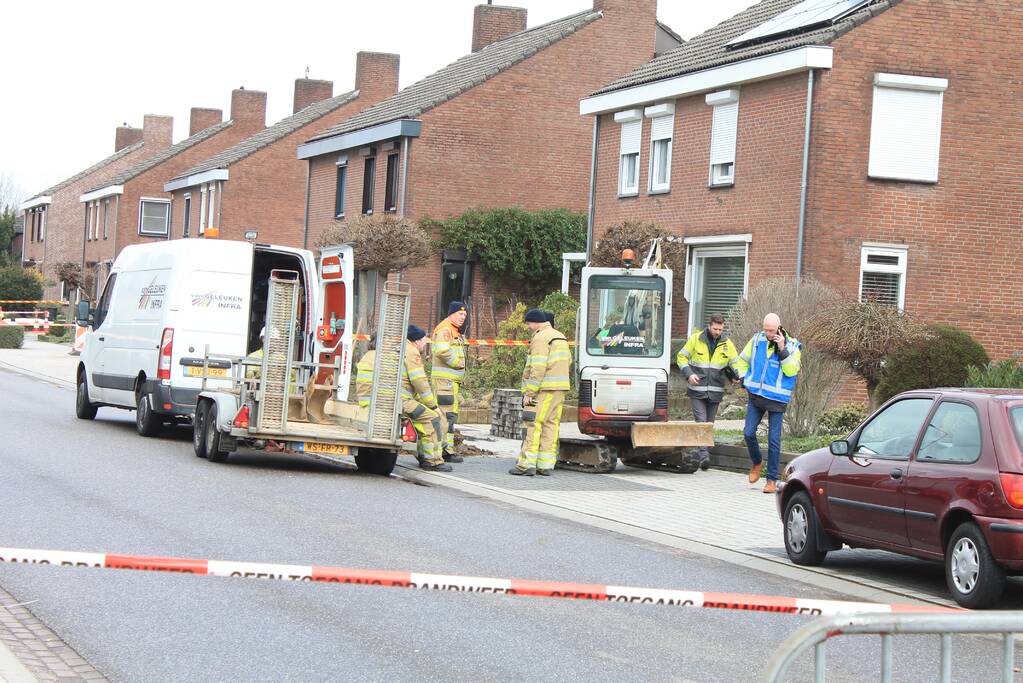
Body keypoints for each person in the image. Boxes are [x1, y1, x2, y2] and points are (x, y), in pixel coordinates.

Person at [734, 313, 802, 494]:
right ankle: (757, 462)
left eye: (771, 330)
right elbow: (741, 360)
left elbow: (791, 371)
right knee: (748, 433)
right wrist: (743, 377)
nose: (768, 334)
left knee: (774, 440)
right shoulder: (757, 340)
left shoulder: (792, 345)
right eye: (766, 330)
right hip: (756, 395)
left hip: (777, 400)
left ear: (779, 328)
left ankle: (771, 480)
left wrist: (782, 349)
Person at [676, 313, 743, 470]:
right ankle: (704, 455)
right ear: (709, 326)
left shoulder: (727, 344)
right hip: (697, 390)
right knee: (702, 423)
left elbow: (736, 364)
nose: (718, 332)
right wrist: (689, 374)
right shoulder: (696, 339)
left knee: (709, 424)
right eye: (715, 329)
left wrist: (737, 376)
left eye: (720, 329)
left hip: (715, 392)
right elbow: (681, 357)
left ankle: (702, 452)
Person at [510, 308, 571, 476]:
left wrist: (529, 393)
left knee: (533, 424)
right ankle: (545, 465)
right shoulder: (560, 336)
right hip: (559, 389)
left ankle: (526, 465)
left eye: (528, 323)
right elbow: (568, 361)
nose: (528, 327)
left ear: (535, 322)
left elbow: (537, 368)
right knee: (551, 425)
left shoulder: (540, 337)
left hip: (543, 390)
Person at [403, 325, 451, 472]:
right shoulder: (412, 352)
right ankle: (432, 461)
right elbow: (420, 383)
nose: (425, 344)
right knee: (432, 419)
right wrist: (433, 406)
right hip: (403, 401)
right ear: (417, 341)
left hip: (397, 399)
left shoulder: (401, 349)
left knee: (421, 423)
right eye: (424, 340)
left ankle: (423, 455)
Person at [431, 301, 468, 463]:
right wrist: (457, 363)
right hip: (444, 382)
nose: (463, 317)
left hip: (450, 382)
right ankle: (440, 451)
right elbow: (442, 351)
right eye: (460, 314)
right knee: (444, 416)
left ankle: (447, 449)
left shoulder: (453, 330)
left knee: (450, 415)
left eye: (465, 315)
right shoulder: (445, 329)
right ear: (451, 314)